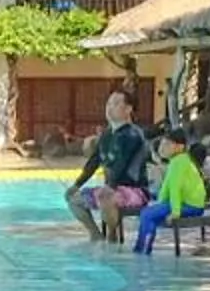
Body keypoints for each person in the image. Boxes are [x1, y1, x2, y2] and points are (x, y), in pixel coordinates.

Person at [64, 90, 152, 241]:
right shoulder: (107, 134)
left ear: (128, 109)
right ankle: (95, 234)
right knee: (72, 198)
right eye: (109, 103)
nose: (110, 107)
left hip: (136, 191)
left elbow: (121, 163)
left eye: (116, 103)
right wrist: (77, 184)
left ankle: (112, 235)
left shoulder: (133, 134)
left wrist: (110, 186)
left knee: (106, 196)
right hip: (110, 189)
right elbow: (94, 161)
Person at [132, 130, 209, 254]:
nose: (162, 148)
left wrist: (175, 213)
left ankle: (142, 250)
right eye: (162, 144)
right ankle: (142, 248)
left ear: (180, 147)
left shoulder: (179, 162)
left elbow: (175, 188)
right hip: (188, 204)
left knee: (147, 215)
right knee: (148, 214)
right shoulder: (178, 160)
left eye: (167, 144)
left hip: (191, 206)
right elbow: (166, 188)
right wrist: (160, 204)